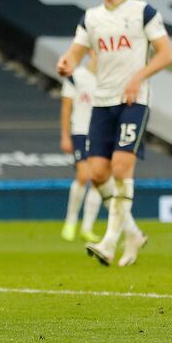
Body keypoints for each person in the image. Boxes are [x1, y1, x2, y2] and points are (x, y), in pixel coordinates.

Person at [56, 0, 172, 267]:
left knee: (121, 169)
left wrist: (138, 77)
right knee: (97, 174)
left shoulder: (142, 11)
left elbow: (165, 54)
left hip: (134, 101)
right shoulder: (91, 17)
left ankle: (109, 241)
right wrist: (67, 60)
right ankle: (132, 232)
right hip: (101, 102)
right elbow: (76, 51)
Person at [59, 50, 103, 243]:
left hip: (100, 133)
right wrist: (65, 135)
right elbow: (66, 106)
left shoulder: (108, 79)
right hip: (80, 131)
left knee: (98, 179)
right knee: (83, 176)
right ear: (92, 52)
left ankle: (87, 226)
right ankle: (70, 222)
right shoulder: (76, 77)